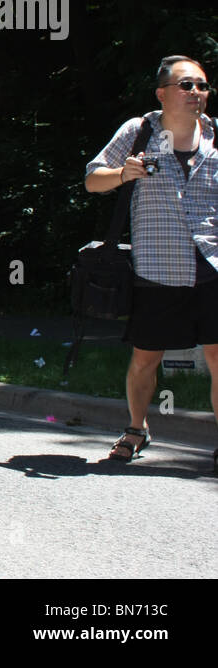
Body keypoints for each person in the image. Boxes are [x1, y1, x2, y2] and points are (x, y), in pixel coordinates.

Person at [85, 55, 218, 473]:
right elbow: (92, 180)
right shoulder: (138, 131)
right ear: (162, 93)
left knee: (217, 354)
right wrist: (123, 174)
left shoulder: (216, 135)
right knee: (146, 357)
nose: (196, 92)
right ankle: (136, 429)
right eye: (186, 85)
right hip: (158, 265)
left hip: (212, 263)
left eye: (202, 85)